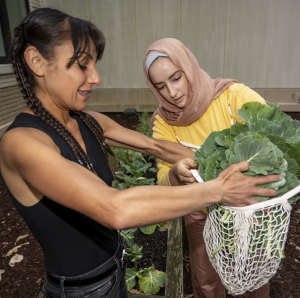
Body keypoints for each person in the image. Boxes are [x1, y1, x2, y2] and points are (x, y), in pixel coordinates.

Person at [0, 9, 280, 298]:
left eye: (95, 65)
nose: (96, 78)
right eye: (82, 65)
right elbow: (115, 209)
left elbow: (157, 147)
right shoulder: (22, 143)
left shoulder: (88, 122)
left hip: (115, 272)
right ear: (36, 61)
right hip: (79, 290)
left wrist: (224, 162)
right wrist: (218, 189)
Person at [143, 38, 271, 298]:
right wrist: (175, 172)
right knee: (206, 282)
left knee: (252, 279)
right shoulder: (165, 123)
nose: (172, 92)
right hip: (202, 213)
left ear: (188, 68)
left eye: (176, 78)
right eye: (161, 87)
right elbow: (162, 177)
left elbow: (270, 129)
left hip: (248, 209)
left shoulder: (231, 96)